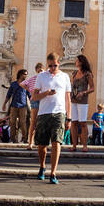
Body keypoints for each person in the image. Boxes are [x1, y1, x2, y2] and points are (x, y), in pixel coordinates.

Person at [31, 53, 71, 183]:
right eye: (50, 66)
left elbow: (68, 98)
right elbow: (35, 97)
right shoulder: (41, 76)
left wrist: (69, 117)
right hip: (43, 113)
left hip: (59, 113)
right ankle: (42, 166)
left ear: (59, 63)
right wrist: (47, 93)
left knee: (56, 142)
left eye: (55, 65)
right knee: (42, 145)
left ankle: (53, 173)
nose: (53, 68)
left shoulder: (65, 77)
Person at [69, 54, 95, 152]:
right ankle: (74, 145)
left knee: (83, 123)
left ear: (81, 62)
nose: (75, 62)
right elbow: (72, 86)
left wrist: (83, 93)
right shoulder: (74, 73)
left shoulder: (88, 74)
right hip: (73, 100)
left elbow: (92, 88)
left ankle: (85, 145)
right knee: (74, 123)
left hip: (83, 101)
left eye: (76, 60)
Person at [5, 69, 31, 145]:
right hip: (14, 105)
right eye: (24, 74)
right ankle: (13, 139)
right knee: (12, 122)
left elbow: (29, 95)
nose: (26, 75)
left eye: (26, 74)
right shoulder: (13, 84)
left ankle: (25, 139)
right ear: (20, 74)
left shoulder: (26, 84)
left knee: (23, 123)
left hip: (23, 106)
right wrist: (4, 104)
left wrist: (34, 104)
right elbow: (8, 95)